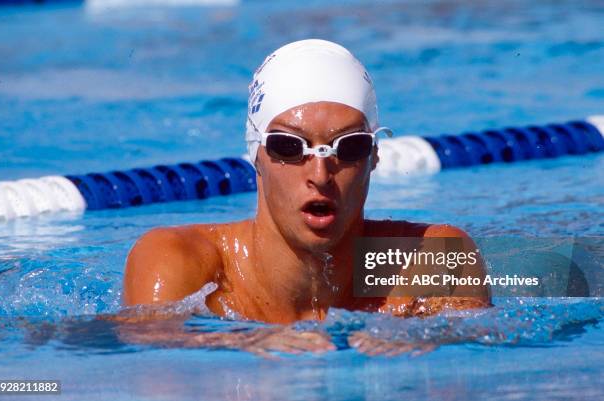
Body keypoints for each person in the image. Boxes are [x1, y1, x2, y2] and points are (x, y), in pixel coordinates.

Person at [122, 39, 490, 329]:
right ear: (256, 154)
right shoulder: (180, 262)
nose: (319, 175)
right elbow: (152, 370)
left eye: (350, 147)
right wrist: (251, 346)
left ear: (374, 157)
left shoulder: (432, 258)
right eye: (289, 146)